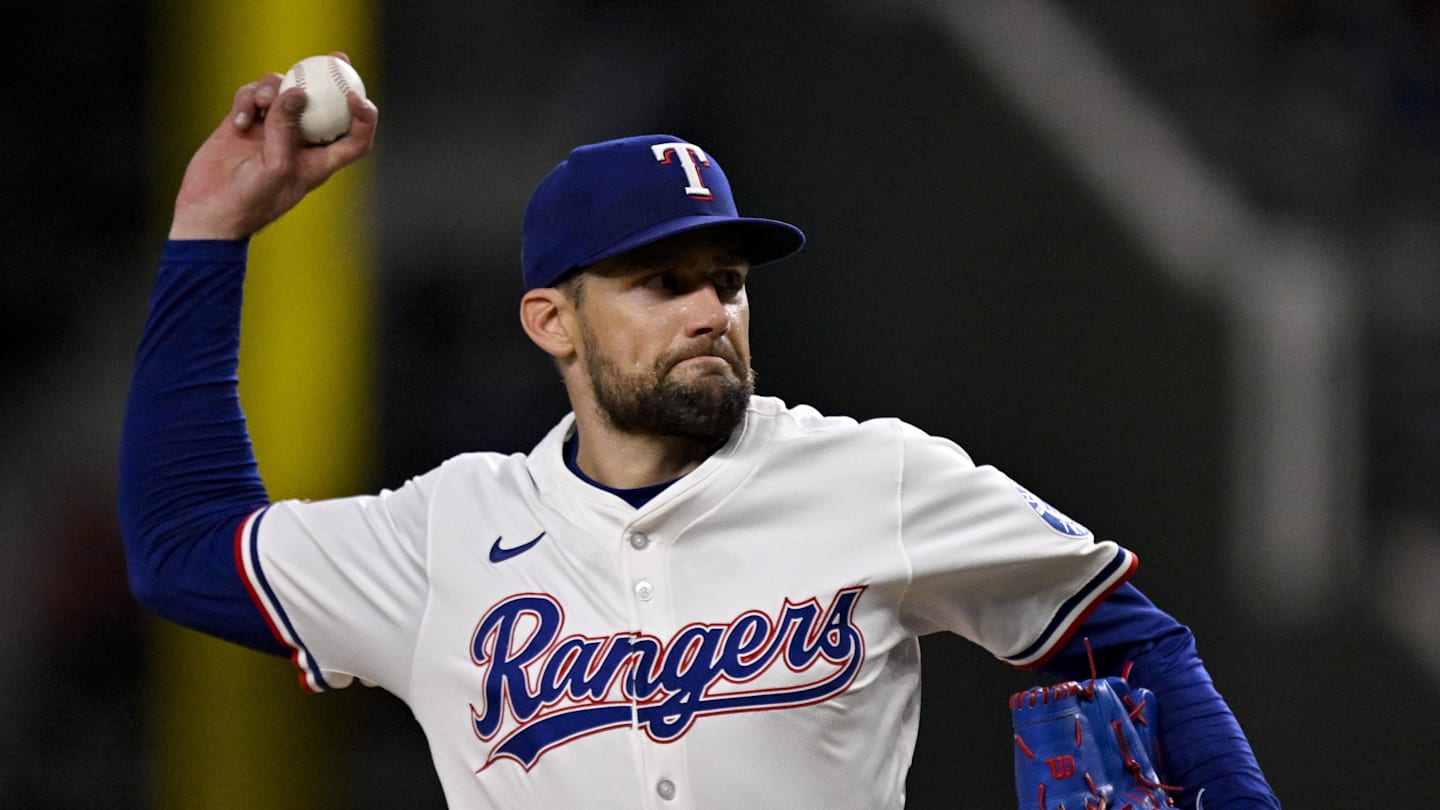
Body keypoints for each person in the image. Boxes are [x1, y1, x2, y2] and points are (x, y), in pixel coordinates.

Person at [120, 59, 1280, 809]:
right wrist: (210, 231)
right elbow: (182, 546)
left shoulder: (872, 477)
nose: (708, 310)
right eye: (660, 281)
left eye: (725, 279)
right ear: (551, 321)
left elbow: (1130, 644)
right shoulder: (449, 533)